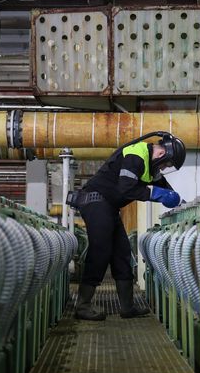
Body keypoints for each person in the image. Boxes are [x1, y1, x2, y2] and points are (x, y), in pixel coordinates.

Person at [68, 132, 186, 321]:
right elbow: (126, 188)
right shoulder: (136, 156)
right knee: (100, 251)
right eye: (167, 164)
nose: (164, 168)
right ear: (162, 154)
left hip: (108, 207)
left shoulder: (148, 164)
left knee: (122, 254)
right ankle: (83, 306)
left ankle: (127, 307)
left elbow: (161, 185)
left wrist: (179, 201)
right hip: (96, 202)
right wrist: (158, 195)